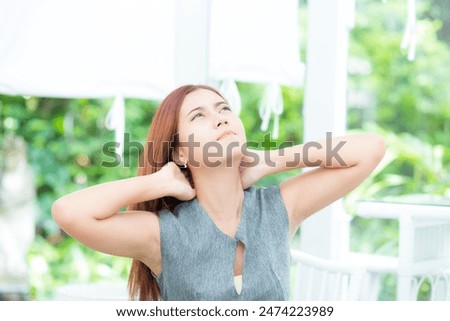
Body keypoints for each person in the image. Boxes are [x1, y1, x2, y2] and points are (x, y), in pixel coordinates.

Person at [52, 84, 386, 301]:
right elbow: (69, 212)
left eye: (224, 109)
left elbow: (370, 149)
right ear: (180, 152)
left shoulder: (279, 208)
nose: (221, 119)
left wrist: (268, 161)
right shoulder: (163, 232)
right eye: (199, 116)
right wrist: (158, 182)